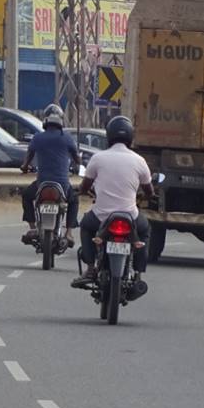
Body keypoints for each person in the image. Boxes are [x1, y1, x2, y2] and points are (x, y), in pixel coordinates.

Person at [71, 115, 153, 287]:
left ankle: (91, 268)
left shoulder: (98, 158)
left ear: (109, 135)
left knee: (86, 226)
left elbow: (85, 187)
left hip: (101, 217)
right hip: (130, 216)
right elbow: (149, 191)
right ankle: (138, 273)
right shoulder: (139, 160)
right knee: (145, 229)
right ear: (131, 137)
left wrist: (85, 192)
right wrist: (144, 196)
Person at [20, 104, 81, 245]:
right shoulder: (67, 138)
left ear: (45, 120)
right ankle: (69, 233)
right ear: (61, 121)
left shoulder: (37, 138)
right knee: (74, 200)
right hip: (63, 186)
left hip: (42, 183)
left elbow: (27, 158)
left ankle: (33, 228)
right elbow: (77, 159)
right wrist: (74, 165)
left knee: (26, 196)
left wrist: (24, 167)